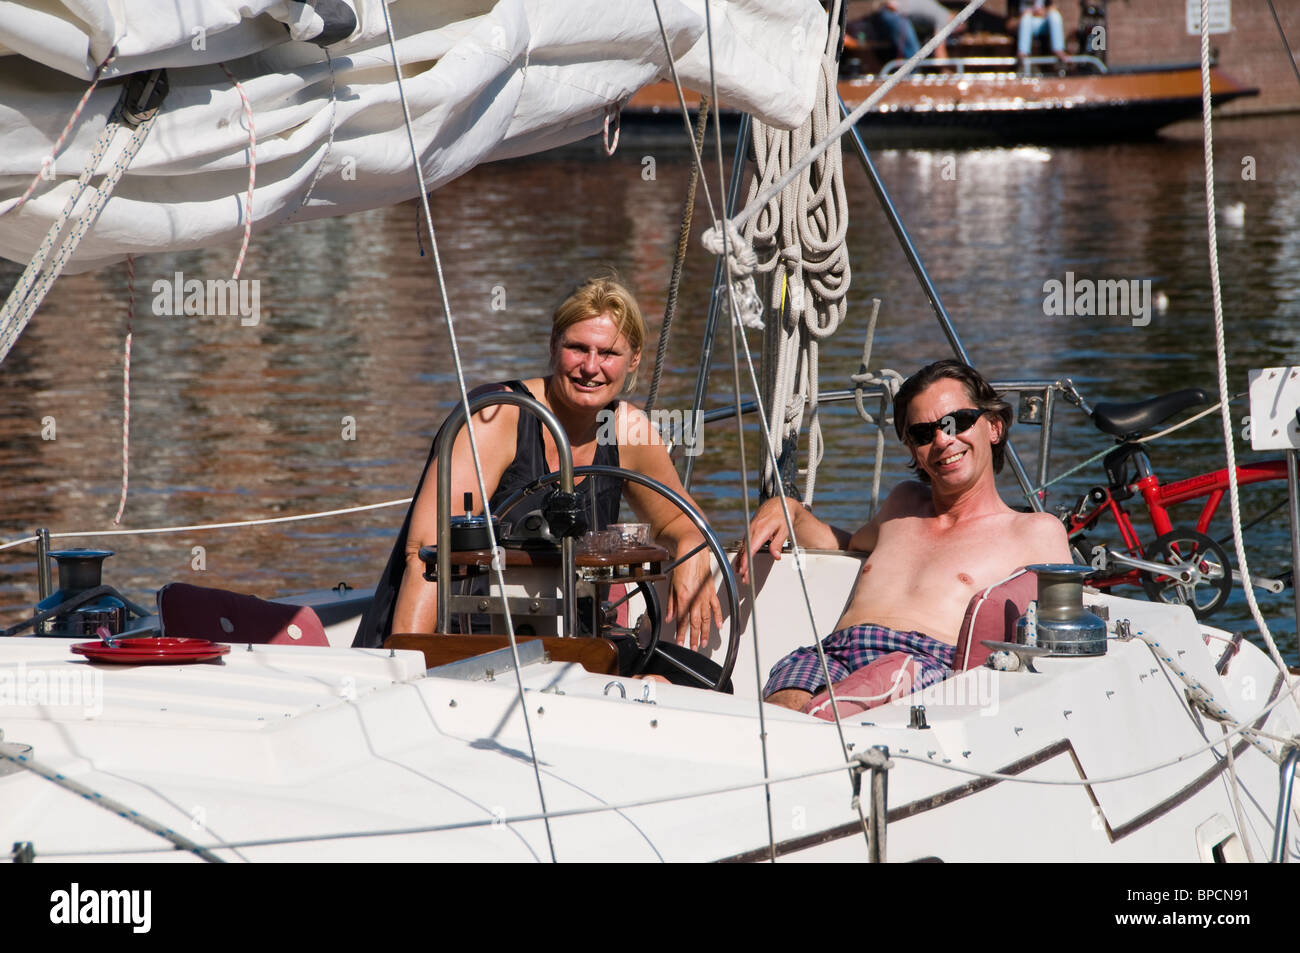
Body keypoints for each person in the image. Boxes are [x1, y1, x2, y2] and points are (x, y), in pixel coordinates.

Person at [354, 275, 725, 684]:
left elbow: (678, 521)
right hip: (470, 641)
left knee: (709, 685)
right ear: (553, 345)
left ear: (634, 359)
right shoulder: (497, 416)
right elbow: (427, 555)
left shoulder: (624, 428)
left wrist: (692, 546)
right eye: (577, 348)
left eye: (609, 353)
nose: (591, 367)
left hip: (573, 649)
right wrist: (409, 670)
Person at [738, 359, 1070, 711]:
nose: (942, 440)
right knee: (782, 708)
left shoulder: (1034, 531)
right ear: (914, 449)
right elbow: (845, 545)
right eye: (923, 434)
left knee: (848, 704)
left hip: (924, 664)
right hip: (832, 652)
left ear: (994, 428)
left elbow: (1061, 639)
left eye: (955, 422)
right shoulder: (902, 502)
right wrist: (790, 511)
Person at [1008, 0, 1068, 67]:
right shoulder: (1016, 3)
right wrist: (1023, 16)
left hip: (1044, 26)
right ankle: (1022, 55)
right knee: (1026, 19)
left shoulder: (1045, 2)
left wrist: (1043, 12)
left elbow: (1052, 8)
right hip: (1024, 27)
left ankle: (1059, 52)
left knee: (1054, 15)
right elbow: (1009, 24)